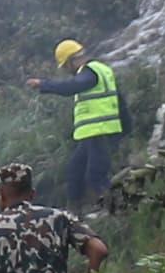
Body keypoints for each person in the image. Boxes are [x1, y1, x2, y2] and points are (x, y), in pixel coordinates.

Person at [30, 38, 124, 206]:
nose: (67, 71)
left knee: (96, 176)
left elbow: (71, 87)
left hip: (100, 132)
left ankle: (117, 209)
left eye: (65, 67)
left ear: (71, 61)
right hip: (93, 134)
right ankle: (75, 214)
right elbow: (120, 101)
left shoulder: (89, 73)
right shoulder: (98, 71)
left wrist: (44, 84)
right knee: (74, 171)